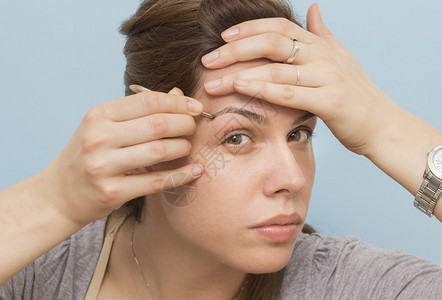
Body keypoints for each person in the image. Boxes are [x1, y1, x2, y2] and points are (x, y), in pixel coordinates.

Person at [1, 0, 441, 299]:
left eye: (299, 135)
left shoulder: (351, 284)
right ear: (150, 134)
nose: (291, 178)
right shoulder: (40, 271)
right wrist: (51, 202)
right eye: (237, 137)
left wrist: (386, 128)